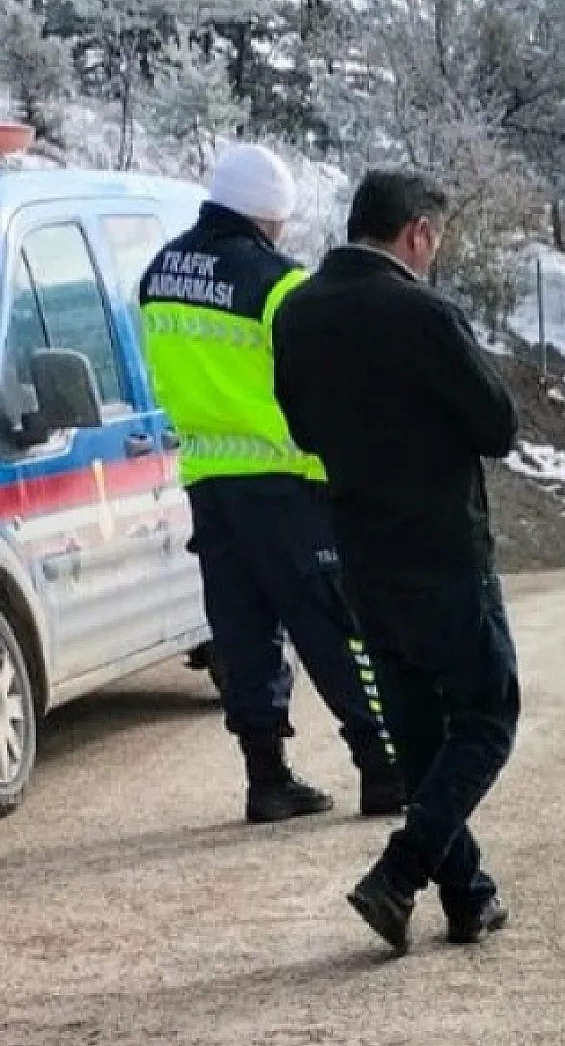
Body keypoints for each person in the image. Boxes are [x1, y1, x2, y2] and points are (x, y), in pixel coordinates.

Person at [272, 171, 522, 953]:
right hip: (444, 551)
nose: (435, 255)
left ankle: (467, 895)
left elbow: (304, 430)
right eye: (435, 241)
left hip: (363, 556)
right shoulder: (424, 312)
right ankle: (401, 871)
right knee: (487, 716)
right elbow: (498, 424)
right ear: (416, 233)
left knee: (418, 735)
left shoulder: (298, 312)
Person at [138, 144, 403, 825]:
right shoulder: (278, 282)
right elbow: (317, 380)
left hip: (207, 478)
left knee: (243, 629)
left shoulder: (157, 272)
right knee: (333, 627)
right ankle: (384, 768)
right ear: (269, 215)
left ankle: (267, 778)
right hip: (284, 480)